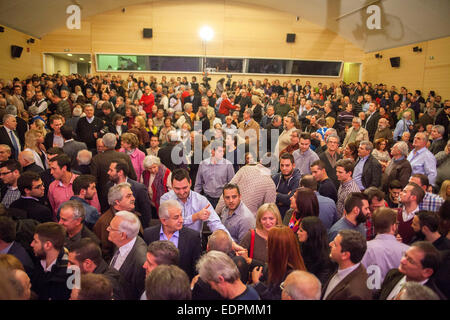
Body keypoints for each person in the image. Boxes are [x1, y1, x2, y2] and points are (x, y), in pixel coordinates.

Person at [160, 169, 240, 250]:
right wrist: (195, 217)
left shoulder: (201, 200)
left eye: (184, 188)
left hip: (194, 246)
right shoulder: (165, 199)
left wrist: (231, 243)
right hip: (171, 245)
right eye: (177, 188)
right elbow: (169, 223)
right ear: (172, 186)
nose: (181, 192)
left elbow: (215, 223)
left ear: (190, 183)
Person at [143, 200, 201, 279]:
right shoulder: (148, 234)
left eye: (181, 215)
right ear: (164, 220)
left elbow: (196, 268)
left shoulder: (193, 237)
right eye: (176, 217)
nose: (181, 220)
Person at [251, 226, 306, 300]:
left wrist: (257, 283)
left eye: (269, 243)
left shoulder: (292, 276)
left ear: (276, 248)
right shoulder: (276, 265)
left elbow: (276, 297)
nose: (267, 246)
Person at [377, 241, 445, 300]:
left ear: (427, 272)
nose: (402, 261)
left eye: (410, 260)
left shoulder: (432, 297)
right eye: (405, 255)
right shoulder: (393, 274)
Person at [90, 133, 137, 211]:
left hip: (105, 197)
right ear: (115, 143)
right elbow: (133, 176)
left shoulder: (96, 159)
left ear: (103, 144)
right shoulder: (125, 156)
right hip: (124, 197)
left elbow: (94, 181)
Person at [361, 207, 409, 283]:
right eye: (397, 223)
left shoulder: (364, 248)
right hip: (396, 294)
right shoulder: (407, 251)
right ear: (393, 226)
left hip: (369, 292)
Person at [107, 210, 147, 300]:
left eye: (111, 228)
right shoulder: (122, 241)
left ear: (122, 235)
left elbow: (138, 293)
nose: (107, 229)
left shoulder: (140, 261)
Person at [322, 230, 372, 300]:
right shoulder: (346, 267)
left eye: (335, 244)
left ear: (345, 255)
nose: (330, 244)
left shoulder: (354, 294)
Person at [105, 159, 152, 228]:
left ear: (120, 172)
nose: (108, 172)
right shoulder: (108, 186)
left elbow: (146, 214)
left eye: (111, 170)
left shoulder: (139, 188)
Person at [30, 222, 71, 300]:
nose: (31, 244)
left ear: (48, 245)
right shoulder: (38, 259)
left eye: (35, 241)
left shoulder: (68, 272)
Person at [194, 141, 235, 208]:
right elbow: (198, 184)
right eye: (220, 151)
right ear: (213, 151)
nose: (222, 153)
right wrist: (196, 199)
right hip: (207, 198)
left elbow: (232, 184)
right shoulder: (203, 164)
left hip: (222, 199)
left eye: (223, 151)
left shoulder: (228, 165)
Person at [297, 216, 336, 285]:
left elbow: (319, 285)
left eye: (301, 230)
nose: (297, 232)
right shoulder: (302, 246)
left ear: (310, 233)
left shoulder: (326, 260)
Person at [272, 153, 301, 218]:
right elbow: (268, 196)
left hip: (289, 216)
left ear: (293, 165)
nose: (284, 168)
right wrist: (284, 197)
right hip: (275, 214)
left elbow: (289, 200)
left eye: (287, 165)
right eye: (282, 165)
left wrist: (276, 194)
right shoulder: (276, 177)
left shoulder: (298, 180)